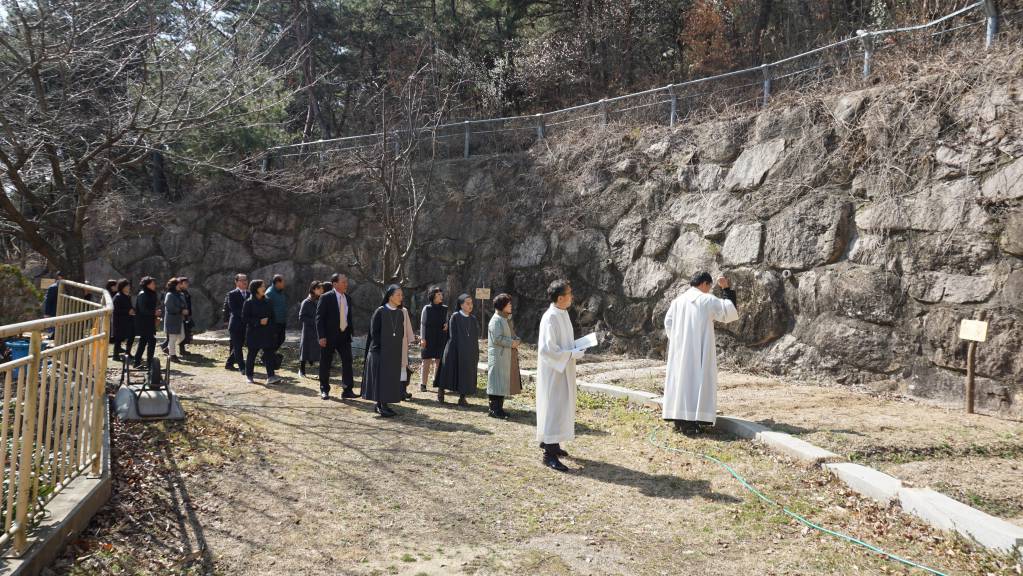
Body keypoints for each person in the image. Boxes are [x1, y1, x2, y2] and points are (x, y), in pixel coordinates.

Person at [662, 271, 739, 436]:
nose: (709, 290)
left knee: (681, 382)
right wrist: (726, 289)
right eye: (709, 286)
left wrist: (679, 340)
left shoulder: (677, 302)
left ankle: (679, 419)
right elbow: (729, 312)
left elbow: (668, 322)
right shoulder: (706, 299)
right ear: (704, 283)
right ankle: (691, 422)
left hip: (680, 350)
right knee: (697, 381)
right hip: (699, 349)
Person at [536, 280, 583, 472]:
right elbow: (547, 350)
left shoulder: (563, 314)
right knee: (554, 407)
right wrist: (571, 354)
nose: (572, 296)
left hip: (564, 368)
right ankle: (549, 454)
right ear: (561, 298)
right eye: (569, 293)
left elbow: (563, 343)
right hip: (554, 372)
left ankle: (553, 443)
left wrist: (577, 347)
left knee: (561, 406)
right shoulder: (551, 317)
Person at [362, 285, 413, 417]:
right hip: (379, 352)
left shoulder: (400, 313)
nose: (401, 297)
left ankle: (382, 405)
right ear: (390, 297)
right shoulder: (380, 311)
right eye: (398, 295)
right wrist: (385, 348)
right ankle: (381, 405)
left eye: (402, 295)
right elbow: (374, 333)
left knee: (389, 379)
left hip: (393, 353)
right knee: (381, 379)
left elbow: (400, 334)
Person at [435, 293, 479, 406]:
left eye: (471, 303)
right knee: (448, 371)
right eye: (467, 303)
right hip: (454, 350)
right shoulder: (455, 316)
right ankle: (441, 392)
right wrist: (462, 348)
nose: (470, 305)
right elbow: (453, 335)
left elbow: (474, 337)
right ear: (461, 305)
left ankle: (462, 398)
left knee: (465, 373)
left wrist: (474, 351)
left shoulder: (473, 319)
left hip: (468, 351)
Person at [316, 273, 356, 400]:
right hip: (329, 336)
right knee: (326, 362)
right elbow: (319, 318)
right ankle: (324, 389)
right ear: (335, 284)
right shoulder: (326, 297)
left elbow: (348, 316)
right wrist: (321, 336)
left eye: (346, 282)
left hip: (344, 335)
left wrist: (350, 332)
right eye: (343, 282)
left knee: (347, 360)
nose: (346, 284)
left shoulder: (348, 298)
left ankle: (347, 390)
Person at [487, 293, 521, 419]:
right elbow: (497, 338)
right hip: (498, 356)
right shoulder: (496, 320)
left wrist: (517, 339)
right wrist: (512, 343)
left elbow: (511, 334)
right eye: (508, 304)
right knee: (496, 383)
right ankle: (494, 410)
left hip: (505, 356)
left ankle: (499, 409)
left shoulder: (505, 319)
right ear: (502, 306)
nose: (511, 305)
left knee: (501, 384)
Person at [242, 279, 280, 385]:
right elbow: (245, 318)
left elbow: (273, 317)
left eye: (264, 286)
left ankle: (271, 376)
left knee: (269, 354)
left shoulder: (268, 301)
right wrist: (258, 322)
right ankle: (249, 376)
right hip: (254, 333)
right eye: (262, 286)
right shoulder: (248, 302)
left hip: (267, 333)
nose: (264, 288)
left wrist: (274, 331)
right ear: (255, 289)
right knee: (252, 355)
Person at [418, 287, 448, 393]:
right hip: (428, 337)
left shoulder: (445, 308)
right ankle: (423, 384)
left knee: (439, 361)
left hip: (441, 337)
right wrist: (422, 338)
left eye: (441, 294)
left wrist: (447, 325)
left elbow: (446, 321)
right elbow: (423, 324)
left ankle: (436, 382)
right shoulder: (427, 308)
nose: (441, 296)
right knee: (426, 360)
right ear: (433, 296)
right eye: (438, 294)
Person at [132, 277, 160, 368]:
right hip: (143, 322)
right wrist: (154, 313)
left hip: (149, 321)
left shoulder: (152, 293)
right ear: (147, 285)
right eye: (153, 283)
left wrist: (156, 316)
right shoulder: (142, 294)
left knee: (143, 341)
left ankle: (137, 361)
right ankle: (149, 362)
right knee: (151, 341)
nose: (154, 285)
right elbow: (142, 310)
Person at [223, 274, 249, 371]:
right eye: (242, 280)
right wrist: (246, 315)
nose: (244, 282)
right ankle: (242, 367)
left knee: (238, 345)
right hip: (235, 325)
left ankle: (229, 364)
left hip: (246, 325)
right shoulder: (232, 294)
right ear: (236, 282)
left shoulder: (249, 294)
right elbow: (234, 309)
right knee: (237, 347)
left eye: (245, 280)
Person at [298, 280, 324, 378]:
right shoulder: (306, 302)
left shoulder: (319, 300)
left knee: (317, 350)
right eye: (319, 288)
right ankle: (301, 370)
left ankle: (321, 372)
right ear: (314, 289)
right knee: (305, 350)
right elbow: (301, 317)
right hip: (308, 331)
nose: (322, 290)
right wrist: (314, 321)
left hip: (317, 331)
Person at [163, 278, 188, 362]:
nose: (180, 285)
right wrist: (181, 311)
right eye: (178, 284)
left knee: (182, 336)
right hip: (172, 320)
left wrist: (184, 309)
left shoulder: (180, 294)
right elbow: (170, 308)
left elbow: (183, 304)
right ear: (174, 285)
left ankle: (168, 348)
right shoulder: (169, 295)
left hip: (179, 319)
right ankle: (172, 355)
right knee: (172, 338)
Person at [265, 274, 287, 370]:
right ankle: (267, 357)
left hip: (282, 321)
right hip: (274, 323)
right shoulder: (269, 293)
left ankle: (267, 356)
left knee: (281, 338)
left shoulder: (280, 292)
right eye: (283, 281)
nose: (284, 283)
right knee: (273, 341)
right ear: (277, 282)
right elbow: (266, 308)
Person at [111, 279, 136, 362]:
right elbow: (115, 310)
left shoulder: (128, 296)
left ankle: (128, 353)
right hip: (119, 321)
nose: (129, 287)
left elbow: (129, 307)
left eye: (129, 286)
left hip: (128, 320)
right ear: (122, 287)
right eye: (127, 286)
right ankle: (115, 355)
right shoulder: (118, 297)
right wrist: (127, 311)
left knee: (131, 336)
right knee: (118, 338)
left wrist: (133, 310)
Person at [178, 277, 194, 356]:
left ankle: (182, 349)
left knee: (185, 332)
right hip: (180, 316)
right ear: (180, 284)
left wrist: (189, 314)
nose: (187, 284)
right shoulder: (178, 293)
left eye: (187, 283)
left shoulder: (186, 292)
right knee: (180, 334)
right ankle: (165, 346)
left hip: (186, 315)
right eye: (185, 283)